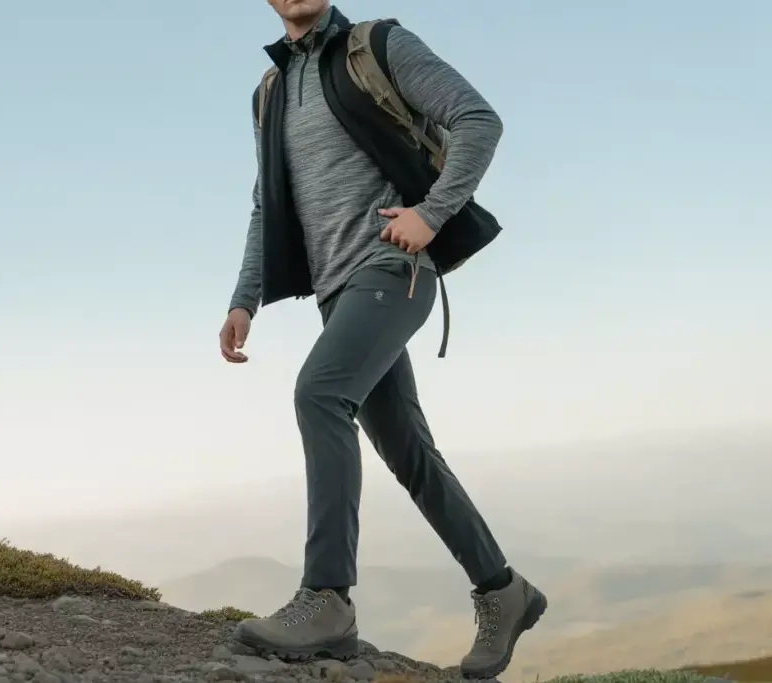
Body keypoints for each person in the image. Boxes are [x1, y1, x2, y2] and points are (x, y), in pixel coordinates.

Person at [218, 0, 547, 678]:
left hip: (394, 270)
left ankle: (328, 598)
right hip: (339, 296)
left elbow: (478, 119)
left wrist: (431, 212)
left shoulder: (377, 46)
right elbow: (266, 201)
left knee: (319, 394)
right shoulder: (270, 91)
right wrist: (244, 298)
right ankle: (503, 590)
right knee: (409, 453)